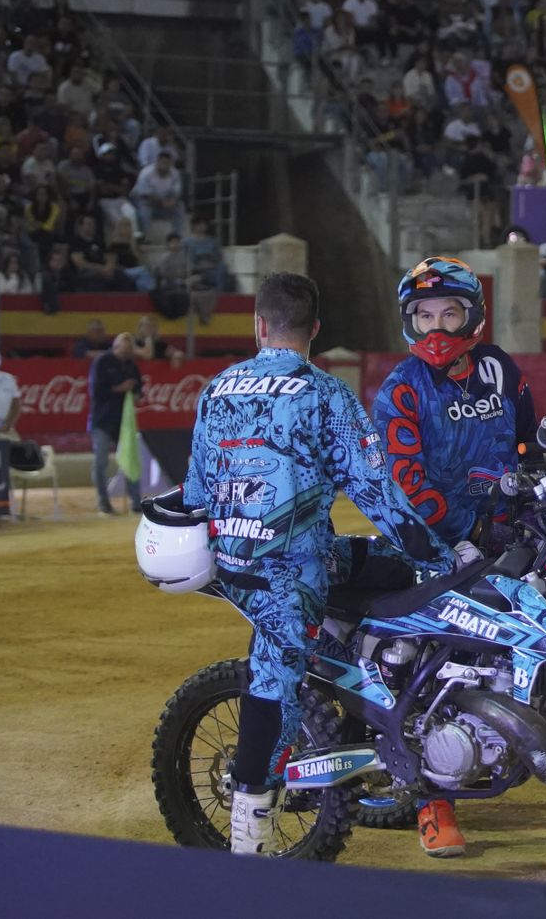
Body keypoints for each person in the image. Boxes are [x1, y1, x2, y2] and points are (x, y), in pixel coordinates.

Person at [183, 273, 462, 856]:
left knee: (373, 567)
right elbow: (379, 495)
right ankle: (250, 827)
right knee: (275, 673)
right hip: (295, 572)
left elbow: (194, 495)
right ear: (315, 330)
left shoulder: (216, 390)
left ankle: (357, 676)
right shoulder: (325, 395)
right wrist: (441, 555)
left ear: (258, 326)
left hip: (231, 563)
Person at [370, 257, 535, 857]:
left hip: (503, 531)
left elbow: (526, 440)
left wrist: (533, 498)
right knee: (438, 662)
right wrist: (462, 532)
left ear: (473, 315)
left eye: (449, 313)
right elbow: (405, 482)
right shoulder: (401, 389)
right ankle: (428, 799)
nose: (436, 327)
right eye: (424, 315)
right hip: (429, 542)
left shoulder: (498, 369)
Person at [89, 332, 142, 515]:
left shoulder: (131, 365)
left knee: (130, 459)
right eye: (125, 350)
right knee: (101, 462)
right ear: (116, 346)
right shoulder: (102, 362)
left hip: (124, 423)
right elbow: (96, 391)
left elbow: (139, 388)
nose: (128, 354)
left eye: (130, 350)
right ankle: (103, 502)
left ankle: (136, 503)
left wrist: (134, 393)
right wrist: (120, 389)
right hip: (103, 421)